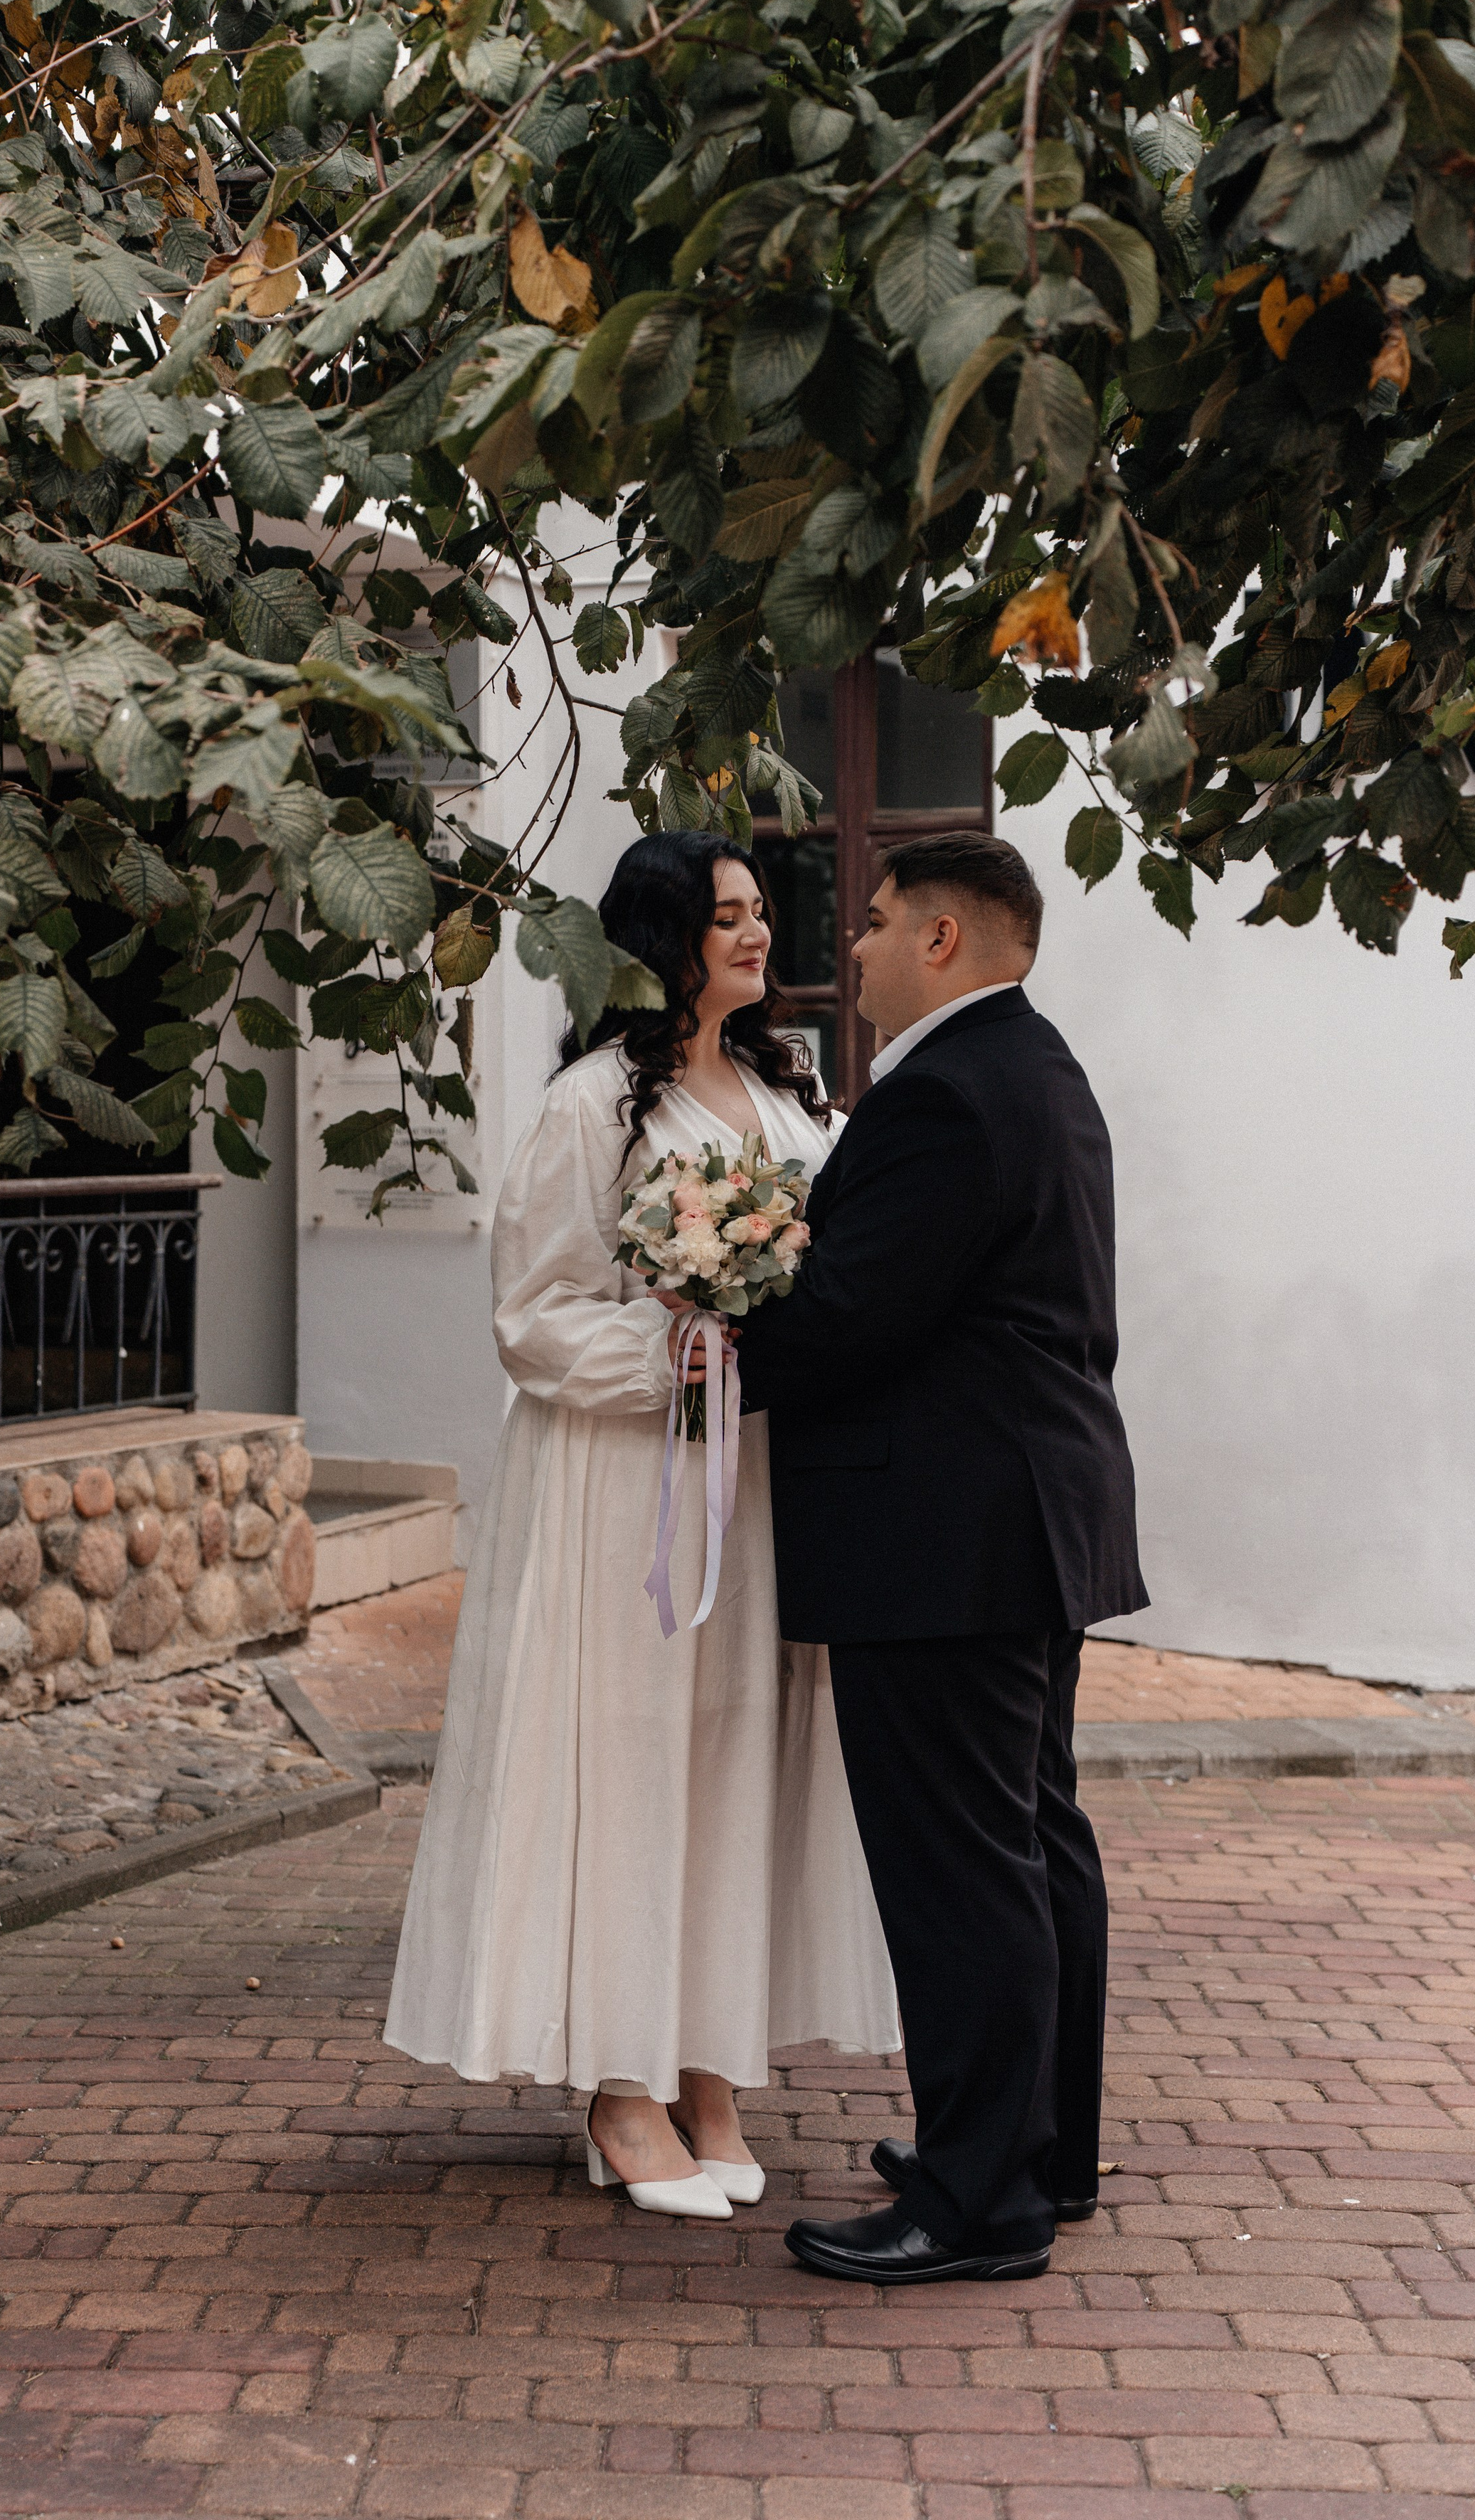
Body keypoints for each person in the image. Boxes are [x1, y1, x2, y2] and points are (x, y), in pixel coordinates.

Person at [385, 831, 897, 2218]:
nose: (756, 934)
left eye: (759, 912)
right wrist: (677, 1347)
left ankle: (708, 2067)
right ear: (662, 938)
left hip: (761, 1480)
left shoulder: (789, 1092)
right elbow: (532, 1315)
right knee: (626, 1758)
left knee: (734, 1757)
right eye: (725, 916)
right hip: (628, 1487)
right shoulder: (593, 1104)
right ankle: (620, 2086)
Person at [738, 831, 1146, 2286]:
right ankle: (1038, 2155)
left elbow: (851, 1315)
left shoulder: (949, 1093)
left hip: (945, 1536)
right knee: (1030, 1845)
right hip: (1022, 1519)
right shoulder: (1037, 1068)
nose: (847, 948)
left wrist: (713, 1323)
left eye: (870, 922)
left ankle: (979, 2203)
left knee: (961, 1870)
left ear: (939, 939)